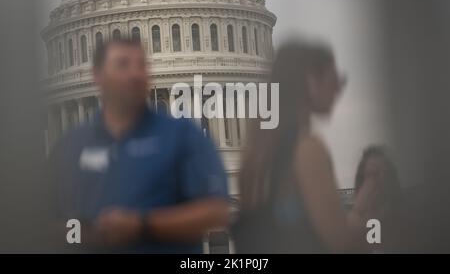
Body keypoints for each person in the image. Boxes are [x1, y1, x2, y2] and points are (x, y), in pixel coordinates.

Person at [48, 39, 229, 253]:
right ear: (97, 75)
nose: (135, 74)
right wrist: (89, 233)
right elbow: (48, 221)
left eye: (141, 65)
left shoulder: (182, 135)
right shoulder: (70, 146)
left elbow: (216, 211)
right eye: (123, 65)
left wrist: (142, 225)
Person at [233, 41, 375, 253]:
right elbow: (339, 240)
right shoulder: (308, 149)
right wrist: (362, 211)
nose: (339, 88)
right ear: (310, 81)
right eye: (335, 79)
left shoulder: (255, 154)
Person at [352, 146, 406, 253]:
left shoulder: (406, 221)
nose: (382, 178)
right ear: (362, 182)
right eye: (374, 174)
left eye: (386, 172)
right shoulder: (355, 224)